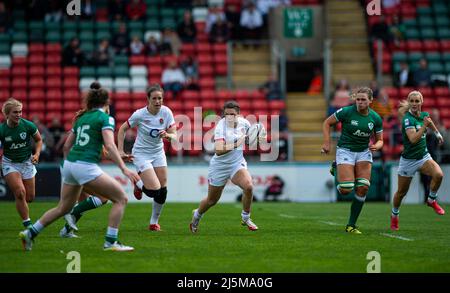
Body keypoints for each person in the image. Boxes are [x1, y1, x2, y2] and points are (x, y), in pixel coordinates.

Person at [19, 82, 140, 251]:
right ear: (106, 103)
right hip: (85, 166)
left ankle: (30, 233)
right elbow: (110, 146)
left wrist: (71, 166)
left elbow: (67, 146)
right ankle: (110, 242)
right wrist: (124, 169)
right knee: (121, 198)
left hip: (70, 165)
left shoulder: (82, 118)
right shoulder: (105, 118)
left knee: (63, 208)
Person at [190, 101, 265, 233]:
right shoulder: (221, 127)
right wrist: (237, 143)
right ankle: (197, 215)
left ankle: (246, 217)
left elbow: (250, 140)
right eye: (226, 114)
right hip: (220, 166)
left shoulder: (245, 123)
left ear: (238, 115)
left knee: (249, 186)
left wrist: (256, 139)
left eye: (232, 114)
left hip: (236, 164)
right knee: (212, 201)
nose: (229, 117)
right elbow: (218, 150)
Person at [321, 87, 384, 234]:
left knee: (363, 188)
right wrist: (326, 143)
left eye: (363, 99)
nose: (360, 102)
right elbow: (326, 123)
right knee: (346, 189)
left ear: (370, 101)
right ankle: (336, 166)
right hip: (346, 151)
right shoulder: (346, 112)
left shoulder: (375, 118)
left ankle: (351, 225)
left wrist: (377, 145)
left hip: (364, 152)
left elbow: (380, 140)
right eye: (358, 99)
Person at [117, 84, 177, 231]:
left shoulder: (166, 112)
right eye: (155, 98)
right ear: (148, 99)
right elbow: (122, 129)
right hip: (141, 154)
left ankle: (153, 222)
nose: (158, 101)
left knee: (163, 190)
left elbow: (174, 136)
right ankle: (137, 184)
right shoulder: (140, 114)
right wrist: (120, 150)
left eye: (160, 98)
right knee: (153, 191)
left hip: (158, 153)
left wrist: (168, 135)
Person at [390, 91, 445, 231]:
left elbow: (430, 122)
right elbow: (413, 139)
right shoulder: (408, 119)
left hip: (423, 157)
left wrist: (438, 134)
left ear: (421, 102)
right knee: (401, 193)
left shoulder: (425, 115)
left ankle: (431, 200)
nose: (414, 104)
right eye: (412, 101)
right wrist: (425, 126)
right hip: (408, 160)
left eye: (417, 101)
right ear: (409, 102)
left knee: (439, 175)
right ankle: (394, 215)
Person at [0, 98, 42, 230]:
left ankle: (19, 198)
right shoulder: (2, 130)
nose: (19, 114)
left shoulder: (28, 125)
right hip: (10, 163)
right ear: (7, 114)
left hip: (27, 163)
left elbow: (39, 140)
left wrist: (37, 154)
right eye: (15, 112)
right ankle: (28, 225)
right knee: (20, 192)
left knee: (29, 198)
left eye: (20, 111)